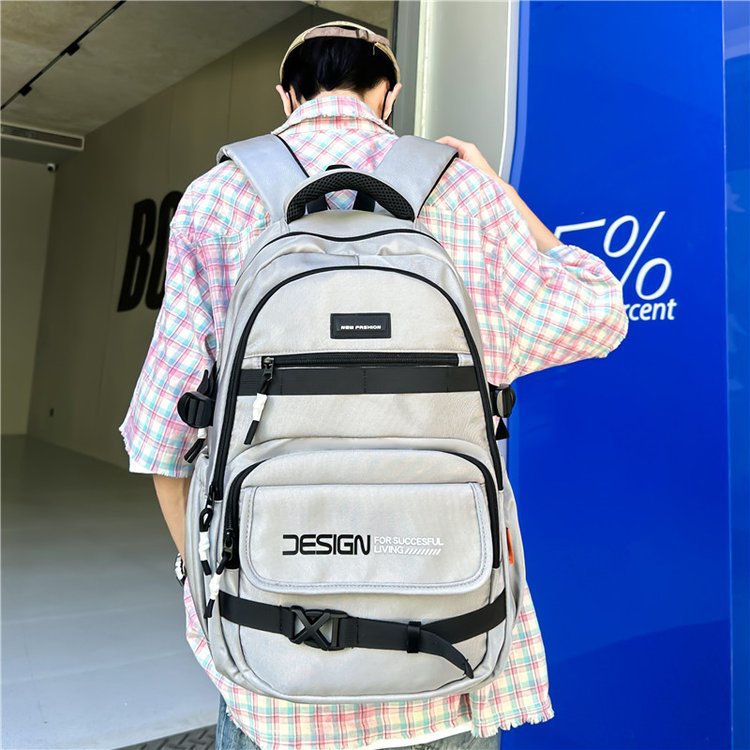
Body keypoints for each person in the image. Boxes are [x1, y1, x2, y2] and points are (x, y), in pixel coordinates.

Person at [119, 19, 628, 750]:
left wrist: (207, 587)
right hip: (453, 652)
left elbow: (160, 442)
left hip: (276, 670)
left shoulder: (215, 198)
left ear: (286, 95)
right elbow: (601, 312)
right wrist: (498, 187)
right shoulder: (463, 193)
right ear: (388, 94)